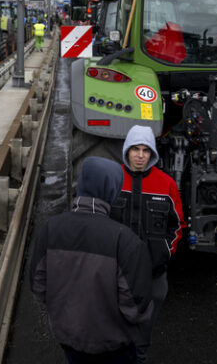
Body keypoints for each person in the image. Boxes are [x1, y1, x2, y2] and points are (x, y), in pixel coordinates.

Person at [30, 156, 155, 364]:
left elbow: (38, 286)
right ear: (112, 190)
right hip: (113, 347)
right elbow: (136, 308)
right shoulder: (126, 241)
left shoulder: (50, 229)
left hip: (69, 340)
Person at [111, 125, 185, 361]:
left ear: (152, 153)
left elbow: (178, 225)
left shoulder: (166, 185)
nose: (140, 155)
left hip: (153, 275)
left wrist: (163, 253)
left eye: (145, 150)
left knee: (143, 331)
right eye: (135, 149)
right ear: (127, 151)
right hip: (116, 273)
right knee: (112, 326)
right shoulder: (113, 180)